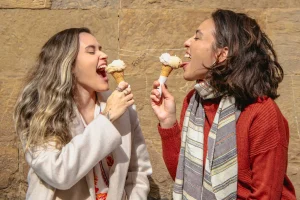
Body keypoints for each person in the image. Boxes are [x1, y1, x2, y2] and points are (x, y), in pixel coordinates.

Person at [150, 9, 296, 200]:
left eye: (197, 37)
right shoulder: (195, 101)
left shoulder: (261, 113)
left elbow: (265, 195)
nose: (187, 42)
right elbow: (184, 177)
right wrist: (168, 121)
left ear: (222, 53)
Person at [14, 27, 152, 200]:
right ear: (69, 65)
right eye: (91, 51)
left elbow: (138, 170)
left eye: (100, 49)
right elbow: (59, 174)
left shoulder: (123, 107)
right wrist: (107, 118)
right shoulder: (39, 111)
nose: (103, 55)